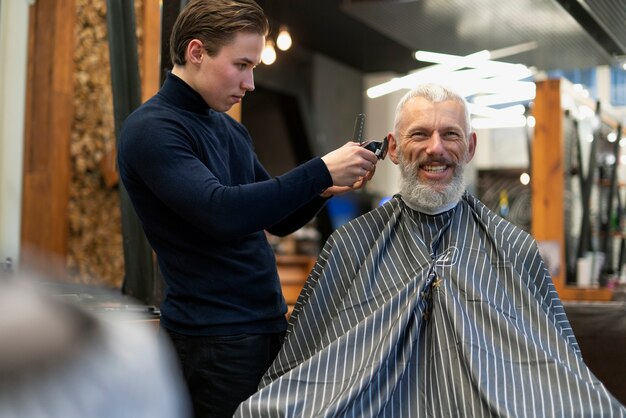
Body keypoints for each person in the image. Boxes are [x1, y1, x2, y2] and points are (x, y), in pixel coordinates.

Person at [235, 83, 626, 417]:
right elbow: (302, 364)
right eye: (419, 134)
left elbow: (558, 366)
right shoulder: (351, 245)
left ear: (470, 146)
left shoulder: (512, 248)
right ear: (393, 147)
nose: (435, 148)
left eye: (450, 135)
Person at [116, 0, 378, 416]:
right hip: (212, 341)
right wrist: (320, 170)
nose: (251, 83)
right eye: (241, 64)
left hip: (265, 327)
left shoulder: (229, 130)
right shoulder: (153, 129)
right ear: (196, 52)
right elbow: (221, 212)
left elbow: (274, 217)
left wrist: (325, 187)